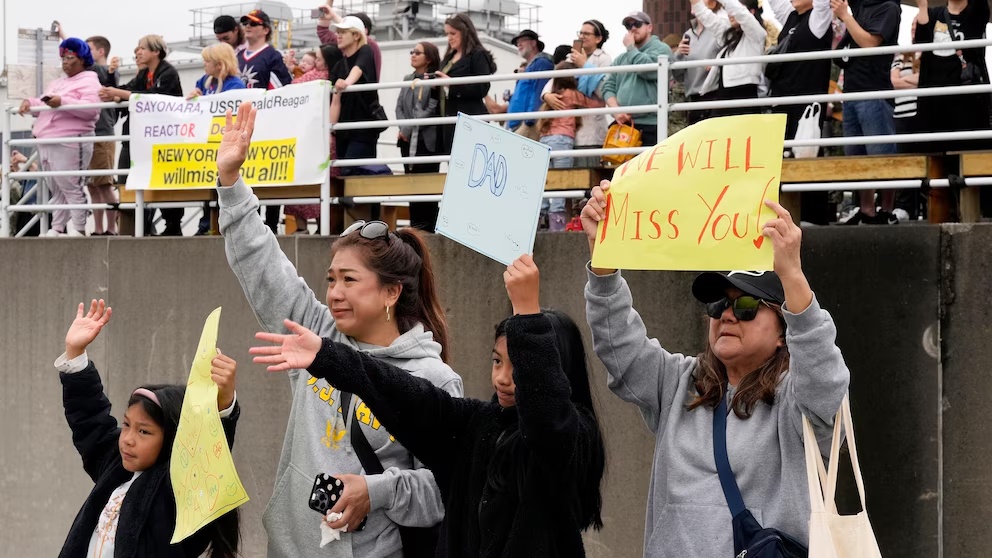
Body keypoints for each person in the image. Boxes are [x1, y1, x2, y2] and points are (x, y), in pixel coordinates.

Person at [215, 101, 462, 557]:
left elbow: (446, 489)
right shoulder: (315, 334)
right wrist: (230, 182)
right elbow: (262, 264)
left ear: (391, 293)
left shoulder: (433, 378)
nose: (334, 293)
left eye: (350, 280)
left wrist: (376, 490)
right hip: (290, 548)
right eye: (331, 279)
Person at [250, 254, 606, 557]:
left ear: (556, 374)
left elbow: (548, 428)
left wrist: (527, 313)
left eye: (521, 368)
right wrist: (329, 356)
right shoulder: (481, 423)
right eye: (498, 362)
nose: (503, 379)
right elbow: (413, 399)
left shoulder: (571, 438)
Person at [579, 181, 850, 556]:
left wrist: (793, 279)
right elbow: (617, 343)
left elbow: (826, 383)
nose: (726, 314)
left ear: (783, 334)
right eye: (718, 304)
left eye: (746, 307)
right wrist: (603, 261)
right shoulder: (677, 381)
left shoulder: (796, 401)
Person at [56, 299, 241, 557]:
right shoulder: (115, 469)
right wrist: (75, 355)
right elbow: (91, 421)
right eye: (127, 425)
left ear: (173, 438)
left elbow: (208, 456)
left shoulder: (177, 490)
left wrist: (222, 402)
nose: (128, 439)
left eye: (144, 431)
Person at [99, 35, 184, 236]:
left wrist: (122, 94)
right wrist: (111, 78)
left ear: (156, 51)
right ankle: (136, 226)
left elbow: (156, 97)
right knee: (127, 178)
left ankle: (172, 225)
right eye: (137, 48)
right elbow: (126, 90)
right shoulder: (144, 74)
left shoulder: (168, 72)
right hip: (138, 137)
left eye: (142, 48)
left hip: (162, 138)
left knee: (163, 180)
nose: (137, 52)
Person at [18, 37, 100, 237]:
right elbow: (44, 103)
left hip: (71, 139)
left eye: (70, 57)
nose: (65, 61)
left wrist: (62, 101)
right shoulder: (58, 82)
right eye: (63, 57)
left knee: (71, 185)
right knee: (57, 188)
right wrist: (30, 103)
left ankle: (79, 228)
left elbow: (92, 110)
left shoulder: (90, 80)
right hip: (48, 139)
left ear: (81, 59)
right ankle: (57, 227)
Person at [763, 0, 834, 225]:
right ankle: (788, 217)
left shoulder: (818, 17)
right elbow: (775, 3)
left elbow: (823, 4)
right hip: (783, 101)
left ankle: (814, 217)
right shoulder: (792, 16)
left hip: (807, 105)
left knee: (807, 155)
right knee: (783, 159)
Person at [831, 0, 901, 225]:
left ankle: (887, 211)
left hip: (875, 92)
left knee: (882, 155)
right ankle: (867, 210)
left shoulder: (888, 7)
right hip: (851, 93)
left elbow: (870, 43)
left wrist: (845, 16)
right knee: (858, 158)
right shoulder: (860, 6)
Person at [238, 9, 293, 234]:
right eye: (245, 23)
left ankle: (270, 224)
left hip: (267, 126)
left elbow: (282, 88)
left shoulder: (272, 55)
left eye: (253, 23)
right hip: (242, 126)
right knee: (245, 174)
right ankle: (250, 223)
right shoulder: (236, 56)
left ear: (265, 29)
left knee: (269, 173)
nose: (247, 26)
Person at [914, 0, 992, 153]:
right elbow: (921, 42)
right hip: (935, 94)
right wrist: (922, 6)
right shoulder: (934, 13)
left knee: (967, 150)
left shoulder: (976, 12)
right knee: (937, 151)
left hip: (966, 94)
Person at [536, 61, 605, 231]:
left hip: (545, 139)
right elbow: (596, 105)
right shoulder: (571, 94)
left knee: (546, 181)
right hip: (562, 141)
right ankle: (557, 225)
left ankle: (541, 221)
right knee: (561, 181)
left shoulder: (553, 95)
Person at [188, 42, 247, 236]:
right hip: (206, 144)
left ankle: (220, 225)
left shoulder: (236, 85)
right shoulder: (203, 82)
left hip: (224, 143)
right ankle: (206, 224)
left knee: (224, 185)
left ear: (219, 64)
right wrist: (193, 98)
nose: (204, 65)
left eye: (207, 61)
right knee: (207, 185)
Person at [284, 44, 341, 234]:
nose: (315, 62)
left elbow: (293, 87)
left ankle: (303, 227)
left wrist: (295, 71)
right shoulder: (331, 76)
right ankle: (321, 225)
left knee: (306, 181)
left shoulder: (318, 77)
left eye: (317, 59)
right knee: (321, 184)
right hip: (320, 137)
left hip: (312, 139)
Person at [602, 12, 672, 147]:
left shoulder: (662, 49)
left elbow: (648, 71)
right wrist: (616, 110)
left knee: (651, 167)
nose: (633, 28)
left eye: (637, 24)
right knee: (621, 168)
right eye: (629, 25)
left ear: (649, 27)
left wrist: (630, 48)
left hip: (651, 124)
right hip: (624, 123)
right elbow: (607, 86)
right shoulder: (621, 58)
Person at [395, 41, 443, 231]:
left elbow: (432, 107)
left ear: (429, 58)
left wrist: (409, 126)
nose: (413, 55)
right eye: (412, 52)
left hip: (427, 142)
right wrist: (404, 129)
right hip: (406, 140)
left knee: (427, 184)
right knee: (411, 183)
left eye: (418, 52)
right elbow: (398, 106)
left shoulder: (434, 78)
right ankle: (415, 227)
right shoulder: (408, 78)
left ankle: (429, 227)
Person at [436, 13, 498, 154]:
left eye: (453, 33)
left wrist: (452, 85)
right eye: (447, 33)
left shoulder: (478, 55)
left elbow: (482, 87)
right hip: (449, 118)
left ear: (465, 32)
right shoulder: (449, 57)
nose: (449, 38)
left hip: (470, 117)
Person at [694, 0, 767, 117]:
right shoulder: (730, 36)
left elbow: (741, 13)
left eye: (733, 10)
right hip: (723, 97)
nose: (729, 14)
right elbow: (708, 18)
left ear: (751, 12)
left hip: (744, 98)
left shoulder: (756, 36)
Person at [328, 17, 384, 165]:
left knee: (356, 170)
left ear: (356, 35)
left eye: (343, 32)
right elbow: (334, 102)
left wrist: (346, 82)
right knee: (345, 173)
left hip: (363, 129)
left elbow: (358, 68)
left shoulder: (366, 50)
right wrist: (330, 130)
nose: (338, 36)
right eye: (337, 32)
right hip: (343, 130)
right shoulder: (338, 66)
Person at [486, 30, 553, 139]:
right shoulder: (531, 67)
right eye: (517, 43)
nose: (519, 44)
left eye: (523, 41)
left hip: (526, 125)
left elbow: (539, 93)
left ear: (533, 43)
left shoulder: (542, 63)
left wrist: (530, 121)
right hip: (518, 124)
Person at [85, 36, 120, 236]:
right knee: (92, 185)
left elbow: (110, 83)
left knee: (105, 183)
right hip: (90, 133)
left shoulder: (103, 71)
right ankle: (98, 228)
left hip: (102, 133)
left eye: (88, 48)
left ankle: (111, 228)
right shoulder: (92, 72)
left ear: (101, 51)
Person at [674, 1, 725, 124]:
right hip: (693, 100)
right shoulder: (688, 34)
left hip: (715, 96)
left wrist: (717, 64)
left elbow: (730, 55)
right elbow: (678, 75)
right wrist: (678, 55)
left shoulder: (719, 29)